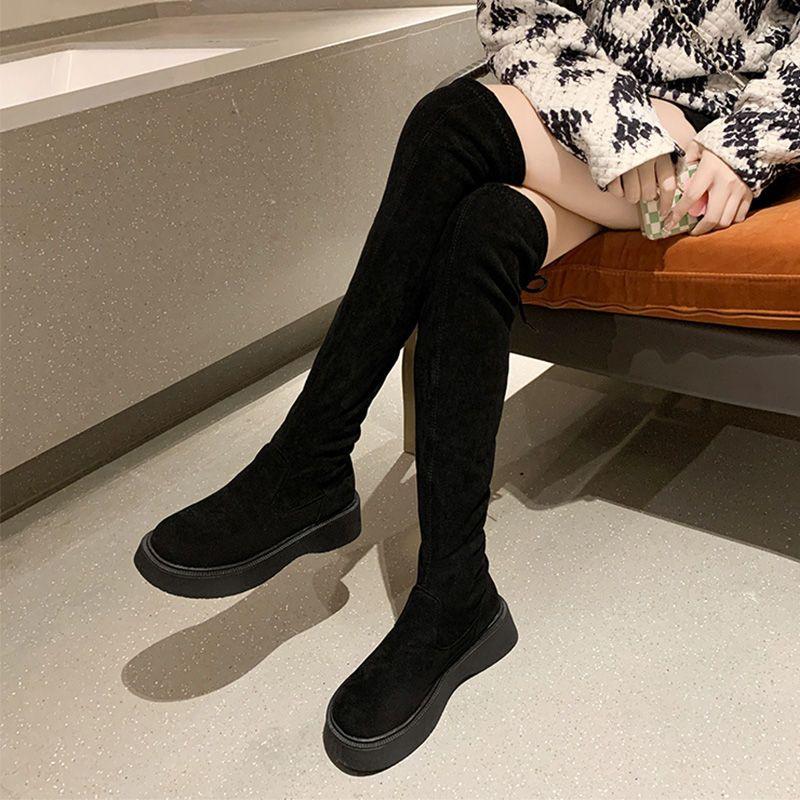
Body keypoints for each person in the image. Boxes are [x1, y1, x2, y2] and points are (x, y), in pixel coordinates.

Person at [133, 0, 799, 774]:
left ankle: (311, 461)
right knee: (483, 226)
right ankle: (456, 593)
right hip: (592, 117)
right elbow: (524, 17)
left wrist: (744, 145)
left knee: (451, 123)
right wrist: (616, 117)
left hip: (713, 152)